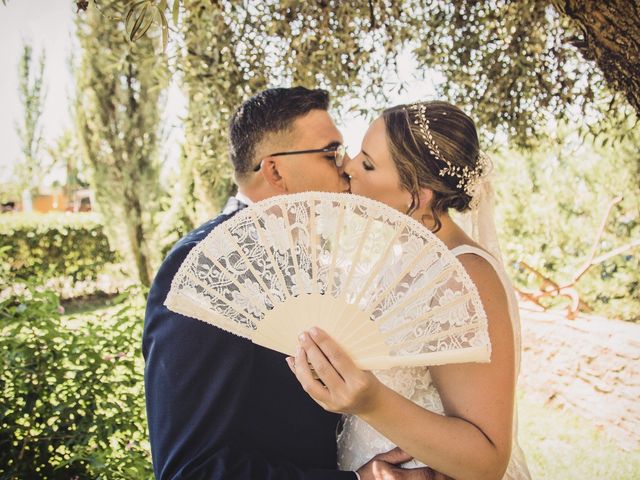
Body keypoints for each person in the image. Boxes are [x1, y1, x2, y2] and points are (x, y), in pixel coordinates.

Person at [143, 87, 427, 480]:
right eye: (331, 153)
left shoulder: (308, 252)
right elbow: (191, 470)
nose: (346, 168)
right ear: (275, 170)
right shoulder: (209, 266)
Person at [288, 101, 532, 479]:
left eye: (368, 164)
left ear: (417, 195)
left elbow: (488, 460)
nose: (348, 166)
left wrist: (370, 401)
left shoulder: (462, 276)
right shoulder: (404, 257)